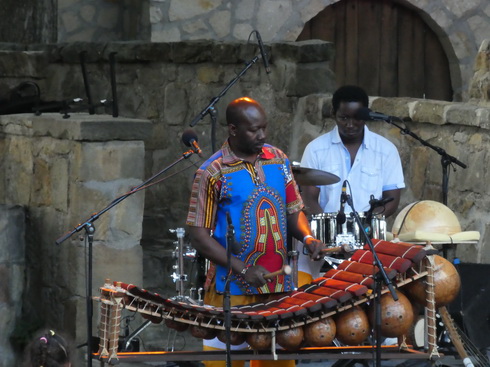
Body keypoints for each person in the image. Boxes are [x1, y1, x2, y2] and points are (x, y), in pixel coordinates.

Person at [186, 97, 324, 367]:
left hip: (277, 289)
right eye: (253, 129)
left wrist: (308, 237)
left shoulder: (279, 159)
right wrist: (241, 268)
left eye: (264, 127)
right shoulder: (212, 172)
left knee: (277, 363)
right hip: (230, 289)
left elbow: (294, 210)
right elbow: (199, 235)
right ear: (233, 129)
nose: (262, 135)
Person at [298, 85, 405, 284]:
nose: (350, 124)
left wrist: (367, 223)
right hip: (325, 240)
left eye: (357, 118)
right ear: (333, 114)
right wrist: (326, 229)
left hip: (368, 238)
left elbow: (392, 198)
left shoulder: (386, 150)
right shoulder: (315, 149)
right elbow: (308, 197)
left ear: (367, 115)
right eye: (344, 118)